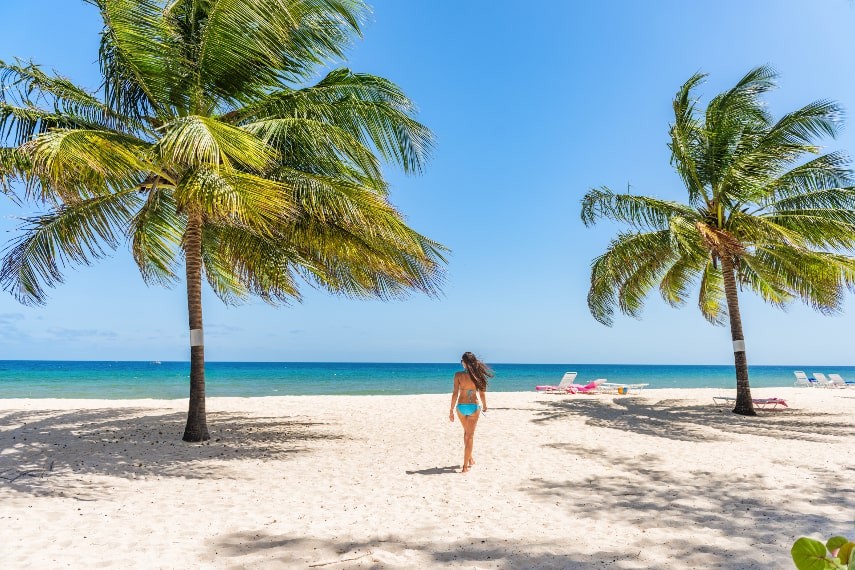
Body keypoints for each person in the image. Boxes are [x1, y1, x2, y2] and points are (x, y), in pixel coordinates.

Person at [449, 351, 493, 472]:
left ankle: (470, 459)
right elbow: (482, 394)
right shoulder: (478, 376)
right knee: (470, 435)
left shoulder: (458, 375)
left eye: (462, 361)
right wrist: (485, 406)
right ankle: (464, 467)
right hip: (473, 407)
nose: (461, 363)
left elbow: (455, 393)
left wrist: (451, 410)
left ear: (465, 362)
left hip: (461, 407)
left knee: (466, 433)